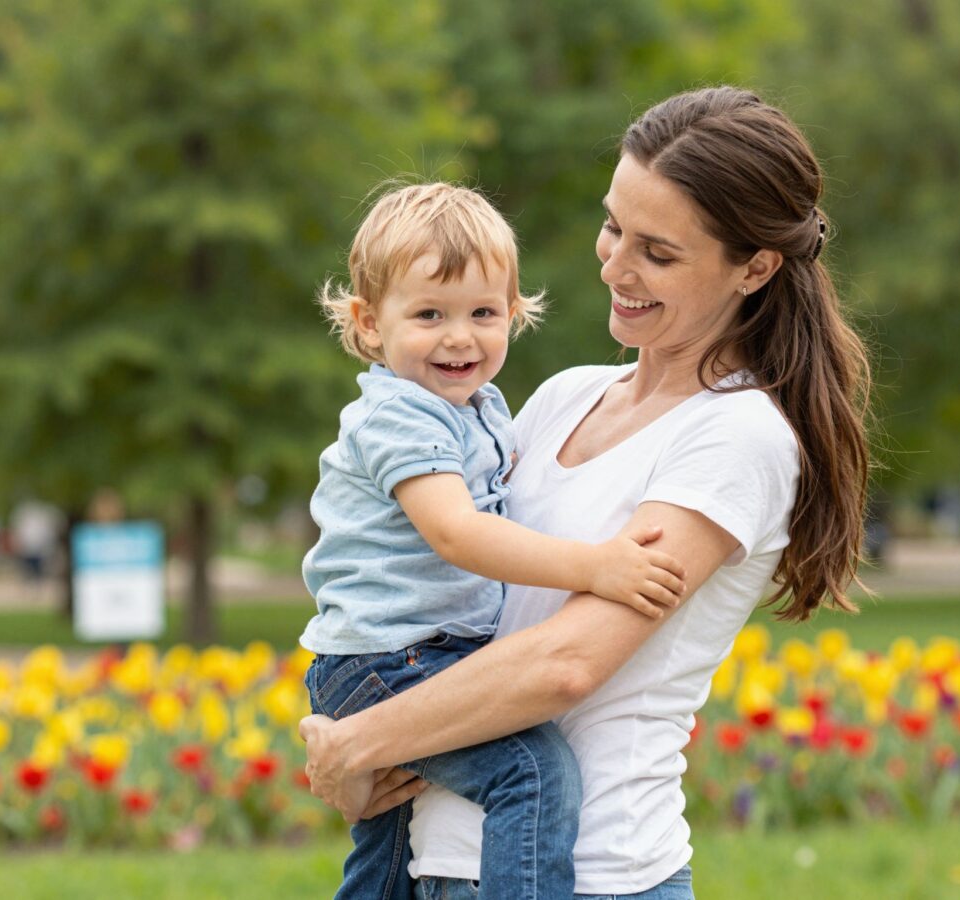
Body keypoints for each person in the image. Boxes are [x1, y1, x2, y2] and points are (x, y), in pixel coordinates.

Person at [300, 86, 871, 899]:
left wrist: (351, 743)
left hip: (594, 875)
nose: (615, 265)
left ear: (755, 267)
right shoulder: (564, 395)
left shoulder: (734, 436)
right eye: (613, 227)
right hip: (444, 860)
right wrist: (371, 754)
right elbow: (444, 575)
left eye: (658, 253)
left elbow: (566, 664)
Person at [300, 183, 688, 900]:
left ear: (513, 313)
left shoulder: (479, 407)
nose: (459, 336)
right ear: (368, 323)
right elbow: (457, 532)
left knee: (391, 827)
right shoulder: (400, 417)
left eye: (483, 313)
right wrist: (597, 567)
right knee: (532, 773)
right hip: (391, 658)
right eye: (428, 315)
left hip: (405, 652)